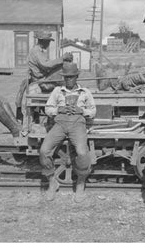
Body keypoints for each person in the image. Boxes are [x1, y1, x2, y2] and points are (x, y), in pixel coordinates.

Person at [39, 62, 96, 203]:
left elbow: (93, 111)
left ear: (77, 77)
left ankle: (80, 184)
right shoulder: (58, 91)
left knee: (82, 153)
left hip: (78, 124)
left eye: (71, 77)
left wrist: (81, 111)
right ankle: (53, 182)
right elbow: (48, 108)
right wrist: (59, 110)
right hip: (60, 123)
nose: (69, 79)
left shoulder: (85, 92)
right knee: (44, 150)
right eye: (66, 77)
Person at [15, 31, 73, 120]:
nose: (49, 43)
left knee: (62, 67)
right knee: (62, 70)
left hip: (44, 77)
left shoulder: (40, 51)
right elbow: (46, 65)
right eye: (48, 41)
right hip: (41, 81)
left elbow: (47, 66)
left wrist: (62, 61)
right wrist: (62, 58)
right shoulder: (36, 51)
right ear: (43, 41)